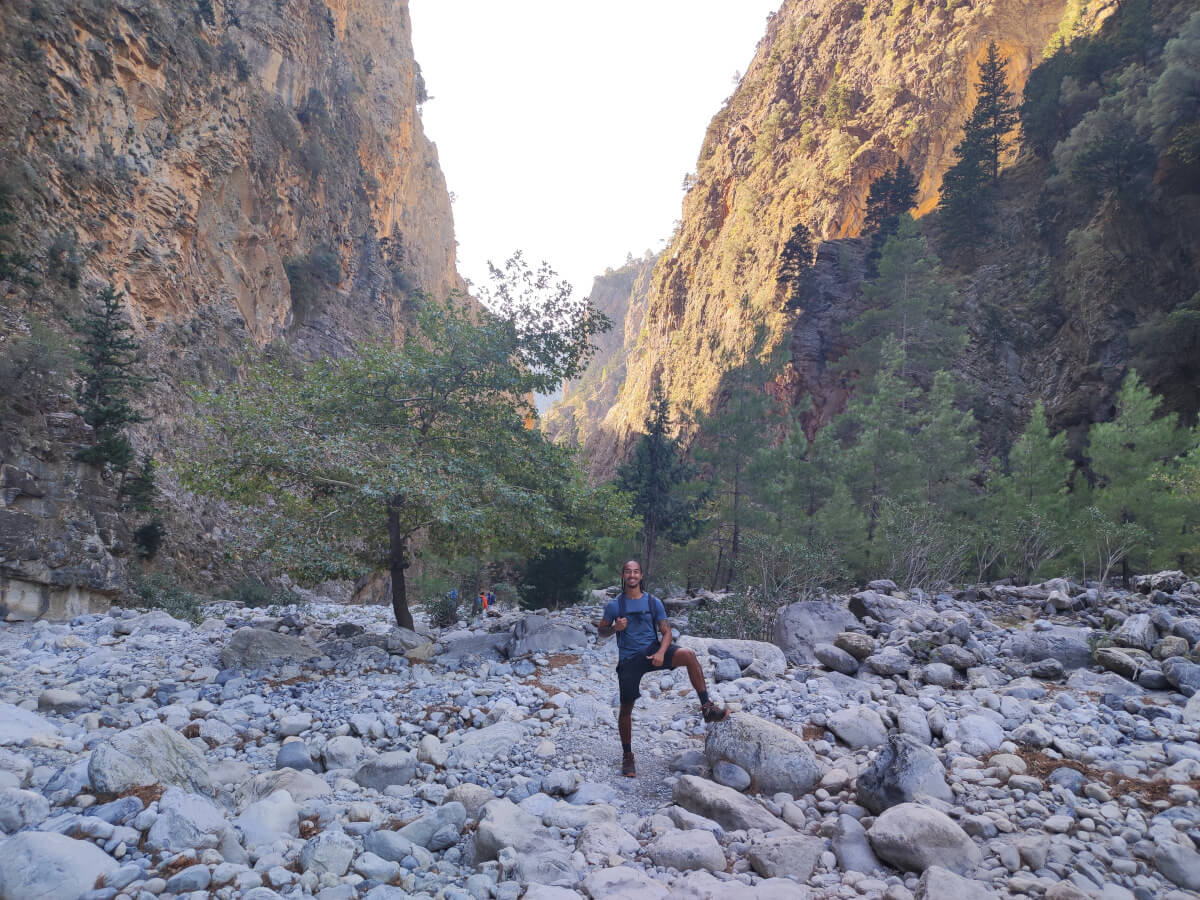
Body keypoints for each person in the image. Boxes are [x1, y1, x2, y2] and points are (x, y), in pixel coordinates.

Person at [595, 560, 728, 777]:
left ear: (641, 576)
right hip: (629, 659)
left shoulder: (653, 602)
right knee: (626, 708)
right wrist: (613, 628)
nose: (632, 575)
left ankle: (707, 707)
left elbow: (666, 632)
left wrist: (659, 653)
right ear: (622, 575)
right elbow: (601, 631)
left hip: (653, 649)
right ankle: (628, 756)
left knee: (689, 655)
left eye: (635, 572)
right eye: (628, 572)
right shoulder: (614, 606)